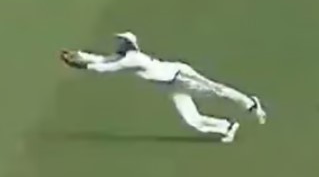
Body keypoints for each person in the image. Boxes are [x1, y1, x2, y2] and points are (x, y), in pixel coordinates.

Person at [60, 32, 267, 143]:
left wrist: (81, 65)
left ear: (130, 45)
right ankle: (227, 126)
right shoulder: (125, 56)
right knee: (191, 120)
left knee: (218, 91)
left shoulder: (132, 59)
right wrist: (79, 54)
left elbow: (106, 68)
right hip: (171, 86)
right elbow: (103, 59)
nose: (118, 44)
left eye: (122, 42)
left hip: (181, 77)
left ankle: (251, 104)